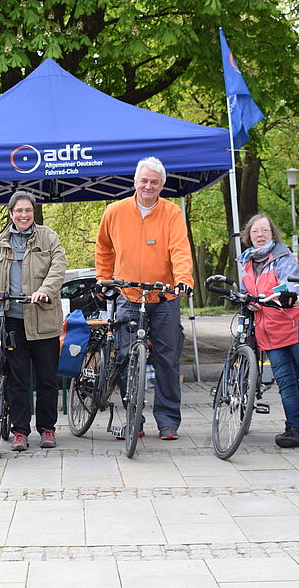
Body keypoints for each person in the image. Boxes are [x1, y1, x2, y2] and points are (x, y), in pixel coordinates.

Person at [94, 157, 193, 440]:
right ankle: (133, 417)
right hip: (128, 294)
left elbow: (180, 250)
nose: (148, 186)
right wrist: (104, 276)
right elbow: (103, 247)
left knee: (167, 358)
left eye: (154, 182)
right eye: (144, 180)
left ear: (162, 185)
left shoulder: (172, 213)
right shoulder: (115, 211)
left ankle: (168, 421)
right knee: (125, 356)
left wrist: (184, 279)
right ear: (135, 181)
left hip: (165, 296)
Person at [0, 191, 67, 451]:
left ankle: (47, 429)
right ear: (11, 213)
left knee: (46, 379)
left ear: (33, 212)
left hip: (42, 320)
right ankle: (20, 431)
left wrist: (45, 290)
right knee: (18, 379)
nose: (23, 215)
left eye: (28, 210)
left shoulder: (49, 237)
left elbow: (58, 267)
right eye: (18, 210)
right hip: (11, 320)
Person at [238, 215, 299, 448]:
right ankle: (296, 428)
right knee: (286, 380)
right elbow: (245, 291)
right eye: (255, 231)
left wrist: (289, 294)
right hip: (269, 330)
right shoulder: (244, 261)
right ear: (249, 235)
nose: (260, 235)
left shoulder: (283, 256)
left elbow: (291, 282)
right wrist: (248, 302)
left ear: (272, 233)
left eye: (265, 230)